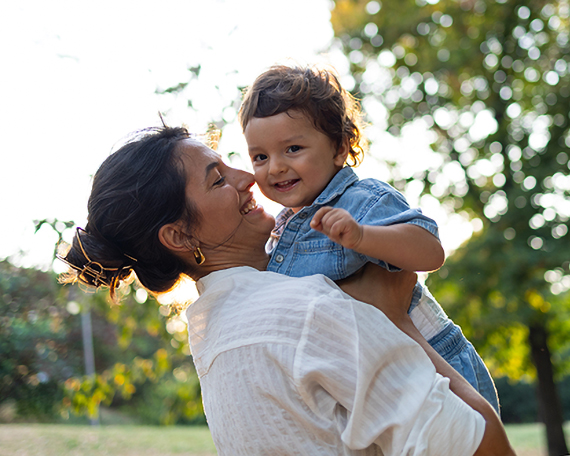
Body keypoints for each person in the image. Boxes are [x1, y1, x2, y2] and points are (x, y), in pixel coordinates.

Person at [58, 126, 515, 455]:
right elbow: (482, 443)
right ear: (178, 237)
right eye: (217, 179)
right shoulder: (306, 310)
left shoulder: (214, 339)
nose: (247, 178)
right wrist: (395, 321)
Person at [239, 64, 500, 413]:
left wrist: (363, 236)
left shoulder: (362, 200)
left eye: (293, 149)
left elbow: (429, 251)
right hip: (381, 382)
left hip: (437, 368)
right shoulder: (280, 233)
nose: (275, 168)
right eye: (260, 156)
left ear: (340, 148)